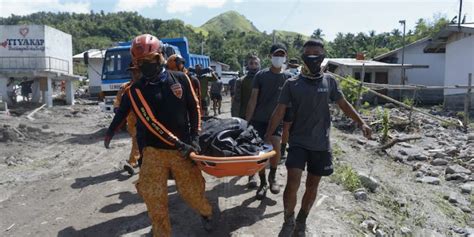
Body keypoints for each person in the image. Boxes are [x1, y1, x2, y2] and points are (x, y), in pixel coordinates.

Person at [104, 34, 213, 236]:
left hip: (183, 150)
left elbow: (194, 108)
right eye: (140, 62)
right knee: (154, 198)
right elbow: (132, 117)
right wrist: (110, 132)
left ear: (160, 56)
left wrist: (195, 137)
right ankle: (161, 232)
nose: (146, 65)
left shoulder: (181, 79)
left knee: (192, 194)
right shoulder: (135, 91)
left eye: (149, 60)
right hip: (153, 152)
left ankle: (206, 212)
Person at [265, 39, 372, 236]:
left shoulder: (329, 81)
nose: (312, 56)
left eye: (317, 53)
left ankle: (302, 219)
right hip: (298, 142)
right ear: (303, 55)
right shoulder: (292, 83)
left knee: (312, 185)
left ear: (322, 55)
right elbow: (279, 111)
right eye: (309, 53)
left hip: (321, 144)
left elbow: (344, 104)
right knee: (293, 182)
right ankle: (288, 218)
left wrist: (361, 122)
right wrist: (267, 136)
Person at [245, 44, 293, 199]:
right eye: (276, 55)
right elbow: (252, 100)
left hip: (277, 121)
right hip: (258, 119)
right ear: (270, 56)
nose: (279, 58)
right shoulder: (261, 75)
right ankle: (263, 182)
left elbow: (292, 104)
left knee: (276, 148)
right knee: (260, 153)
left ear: (285, 57)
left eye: (282, 55)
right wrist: (246, 122)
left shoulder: (289, 78)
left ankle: (272, 177)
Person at [106, 62, 141, 175]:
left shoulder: (147, 86)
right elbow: (117, 100)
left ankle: (132, 162)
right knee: (136, 140)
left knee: (137, 139)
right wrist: (117, 109)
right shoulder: (125, 87)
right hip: (130, 120)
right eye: (133, 71)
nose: (135, 74)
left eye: (137, 71)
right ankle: (139, 160)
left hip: (144, 119)